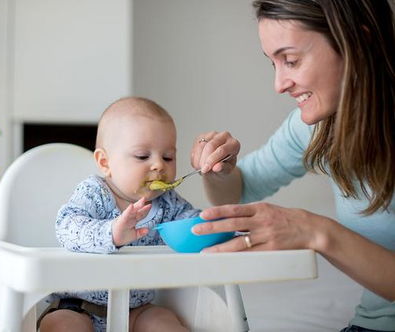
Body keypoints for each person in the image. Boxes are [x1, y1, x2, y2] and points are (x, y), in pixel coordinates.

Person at [190, 1, 394, 331]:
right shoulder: (315, 128)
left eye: (291, 60)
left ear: (360, 42)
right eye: (273, 63)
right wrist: (222, 170)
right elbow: (240, 192)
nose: (279, 84)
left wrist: (316, 231)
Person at [39, 97, 196, 332]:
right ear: (105, 162)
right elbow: (66, 226)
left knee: (164, 322)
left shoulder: (168, 203)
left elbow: (192, 224)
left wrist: (213, 225)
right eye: (143, 156)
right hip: (78, 306)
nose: (159, 166)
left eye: (168, 157)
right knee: (62, 326)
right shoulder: (95, 193)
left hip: (137, 310)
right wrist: (111, 233)